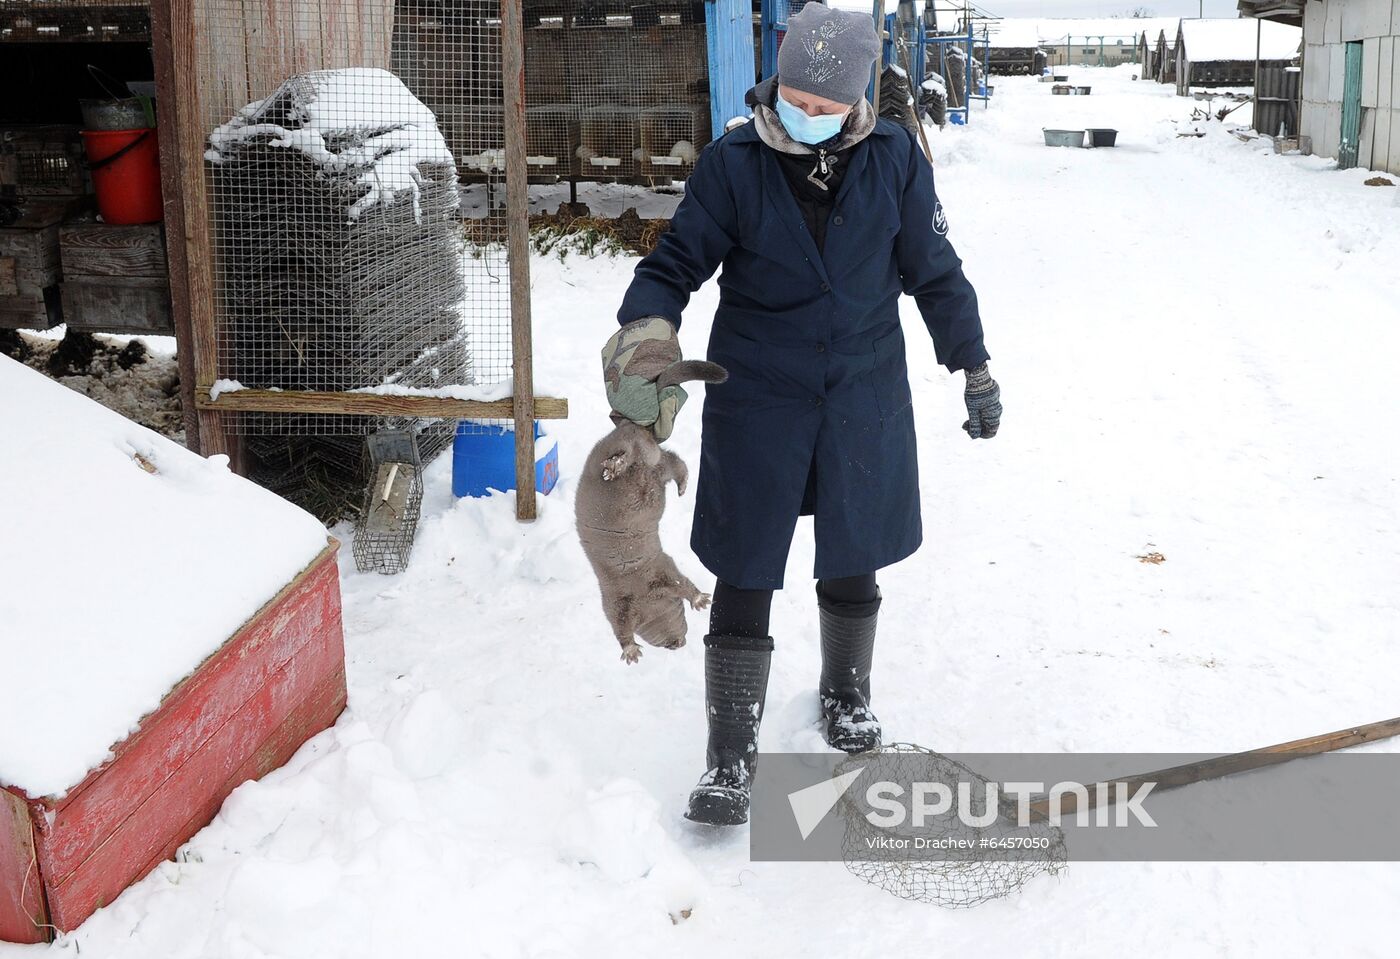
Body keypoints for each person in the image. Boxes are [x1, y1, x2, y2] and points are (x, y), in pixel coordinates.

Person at [600, 3, 1001, 826]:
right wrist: (646, 340)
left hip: (861, 385)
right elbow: (674, 264)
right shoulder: (734, 161)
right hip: (758, 390)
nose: (804, 117)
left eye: (823, 107)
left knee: (854, 547)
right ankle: (730, 756)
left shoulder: (892, 159)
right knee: (747, 564)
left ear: (854, 99)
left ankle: (846, 695)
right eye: (793, 99)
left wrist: (973, 363)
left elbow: (934, 269)